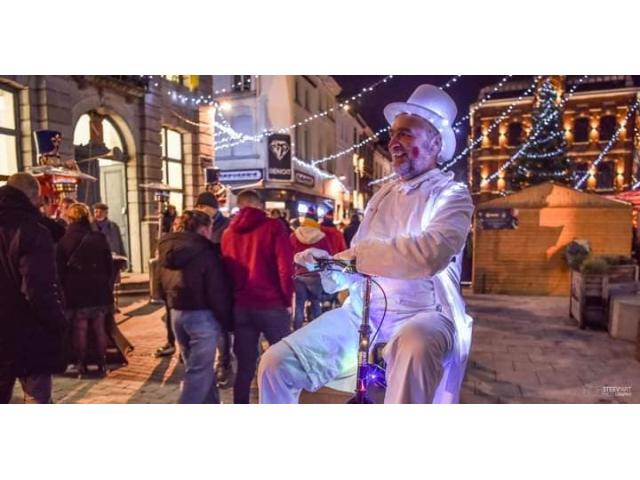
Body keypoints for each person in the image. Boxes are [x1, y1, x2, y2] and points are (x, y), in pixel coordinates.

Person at [258, 84, 475, 404]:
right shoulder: (381, 196)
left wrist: (356, 258)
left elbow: (429, 255)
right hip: (363, 315)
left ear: (435, 143)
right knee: (275, 364)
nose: (394, 143)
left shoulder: (452, 195)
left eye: (406, 134)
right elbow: (358, 260)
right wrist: (327, 265)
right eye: (393, 135)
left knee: (414, 344)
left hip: (425, 313)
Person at [0, 173, 68, 403]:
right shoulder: (34, 232)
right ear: (31, 197)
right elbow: (38, 291)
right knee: (37, 399)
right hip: (27, 330)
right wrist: (58, 322)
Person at [221, 189, 294, 404]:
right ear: (259, 205)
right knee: (282, 359)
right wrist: (286, 298)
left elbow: (226, 272)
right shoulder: (273, 227)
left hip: (242, 306)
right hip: (271, 304)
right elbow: (285, 268)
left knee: (244, 365)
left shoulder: (228, 233)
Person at [157, 210, 233, 404]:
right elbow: (216, 291)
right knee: (198, 372)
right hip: (202, 316)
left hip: (177, 314)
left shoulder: (167, 248)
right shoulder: (205, 252)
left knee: (198, 367)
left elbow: (159, 284)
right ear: (204, 228)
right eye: (209, 227)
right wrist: (227, 320)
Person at [57, 203, 114, 377]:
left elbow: (59, 270)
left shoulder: (64, 240)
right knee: (99, 327)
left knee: (79, 328)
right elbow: (109, 265)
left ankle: (81, 365)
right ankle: (102, 363)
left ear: (70, 217)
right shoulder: (99, 237)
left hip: (76, 290)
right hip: (98, 289)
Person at [194, 191, 233, 387]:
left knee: (221, 328)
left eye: (203, 206)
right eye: (198, 207)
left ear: (213, 207)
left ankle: (223, 364)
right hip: (200, 281)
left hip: (220, 281)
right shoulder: (195, 223)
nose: (200, 210)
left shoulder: (226, 225)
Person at [290, 207, 332, 330]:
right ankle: (316, 330)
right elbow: (328, 254)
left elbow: (288, 254)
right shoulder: (321, 236)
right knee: (315, 303)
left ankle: (296, 331)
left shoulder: (294, 235)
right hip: (315, 274)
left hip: (299, 274)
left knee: (299, 305)